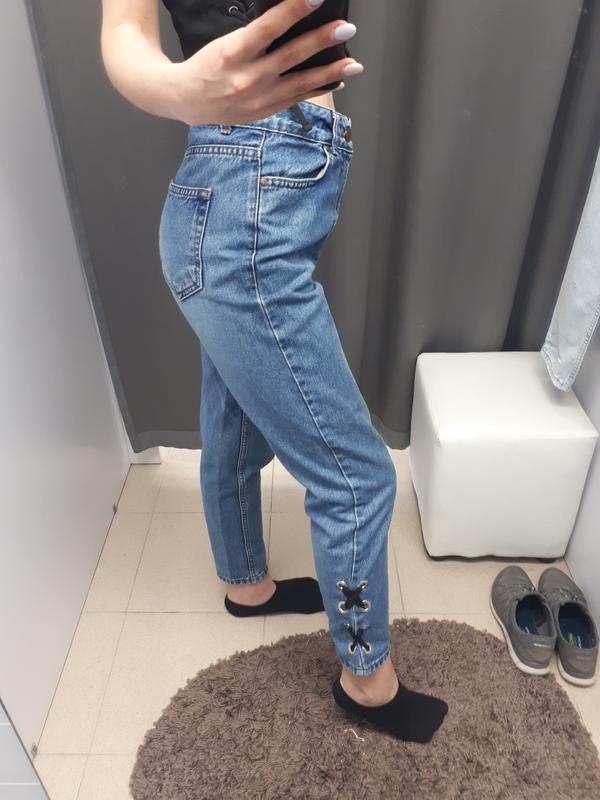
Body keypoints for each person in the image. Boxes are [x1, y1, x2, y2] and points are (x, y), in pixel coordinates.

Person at [101, 0, 448, 743]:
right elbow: (123, 33)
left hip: (232, 196)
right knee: (357, 477)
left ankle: (247, 587)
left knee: (232, 419)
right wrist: (178, 89)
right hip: (243, 213)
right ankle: (367, 680)